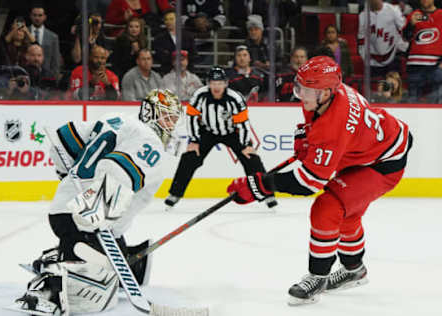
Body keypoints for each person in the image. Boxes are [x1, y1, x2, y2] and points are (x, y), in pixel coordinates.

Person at [226, 56, 413, 305]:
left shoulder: (334, 125)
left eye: (307, 90)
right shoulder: (324, 96)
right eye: (299, 86)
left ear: (326, 92)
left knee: (328, 206)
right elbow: (315, 125)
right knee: (348, 211)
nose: (300, 94)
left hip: (385, 162)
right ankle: (353, 269)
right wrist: (306, 136)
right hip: (368, 149)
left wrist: (260, 186)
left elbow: (309, 183)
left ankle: (318, 277)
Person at [12, 88, 184, 315]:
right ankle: (49, 286)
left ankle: (67, 254)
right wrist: (93, 213)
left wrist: (71, 183)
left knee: (117, 262)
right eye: (166, 116)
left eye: (174, 118)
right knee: (96, 281)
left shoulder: (118, 120)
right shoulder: (150, 141)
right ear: (149, 112)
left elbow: (63, 140)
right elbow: (117, 170)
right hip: (87, 218)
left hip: (65, 210)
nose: (170, 124)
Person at [165, 66, 278, 210]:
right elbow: (191, 118)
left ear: (226, 83)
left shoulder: (235, 99)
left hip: (232, 133)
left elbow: (243, 123)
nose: (216, 86)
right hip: (208, 132)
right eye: (213, 82)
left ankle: (268, 195)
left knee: (251, 159)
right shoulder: (199, 95)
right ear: (208, 83)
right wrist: (194, 140)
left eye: (219, 83)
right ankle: (175, 194)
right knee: (190, 158)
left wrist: (245, 144)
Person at [403, 0, 442, 103]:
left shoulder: (441, 15)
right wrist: (410, 25)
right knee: (413, 101)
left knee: (437, 101)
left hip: (436, 65)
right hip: (415, 65)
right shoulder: (414, 15)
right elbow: (405, 37)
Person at [358, 0, 407, 77]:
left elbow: (404, 30)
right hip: (373, 60)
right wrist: (365, 57)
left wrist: (403, 48)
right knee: (377, 87)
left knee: (393, 85)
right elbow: (361, 38)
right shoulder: (363, 15)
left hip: (393, 57)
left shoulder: (393, 10)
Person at [153, 8, 198, 75]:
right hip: (168, 72)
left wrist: (183, 59)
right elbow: (159, 57)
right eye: (166, 19)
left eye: (171, 19)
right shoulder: (159, 38)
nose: (168, 22)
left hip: (187, 72)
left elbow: (194, 55)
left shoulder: (188, 36)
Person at [28, 5, 61, 78]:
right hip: (26, 75)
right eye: (34, 15)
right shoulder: (23, 33)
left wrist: (54, 78)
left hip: (47, 77)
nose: (37, 18)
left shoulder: (53, 37)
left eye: (40, 15)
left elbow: (55, 60)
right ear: (30, 16)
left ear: (44, 17)